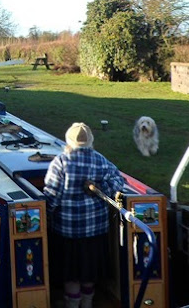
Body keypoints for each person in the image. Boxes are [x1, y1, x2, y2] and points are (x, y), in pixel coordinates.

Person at [42, 122, 125, 308]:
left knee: (71, 274)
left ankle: (72, 304)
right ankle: (87, 303)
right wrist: (101, 190)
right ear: (90, 141)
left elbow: (52, 195)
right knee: (89, 271)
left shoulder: (61, 162)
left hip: (67, 231)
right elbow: (119, 180)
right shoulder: (100, 160)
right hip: (95, 231)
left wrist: (46, 215)